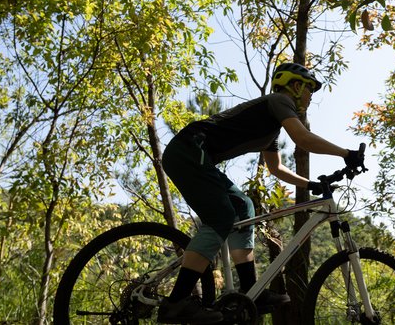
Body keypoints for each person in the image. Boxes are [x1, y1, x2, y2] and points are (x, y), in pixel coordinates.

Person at [155, 62, 365, 324]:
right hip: (187, 150)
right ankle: (175, 303)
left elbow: (276, 168)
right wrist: (346, 154)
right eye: (309, 88)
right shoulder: (278, 100)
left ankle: (251, 291)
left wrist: (308, 184)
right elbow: (303, 139)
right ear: (295, 86)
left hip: (194, 155)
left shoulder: (271, 128)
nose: (311, 96)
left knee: (243, 207)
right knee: (221, 217)